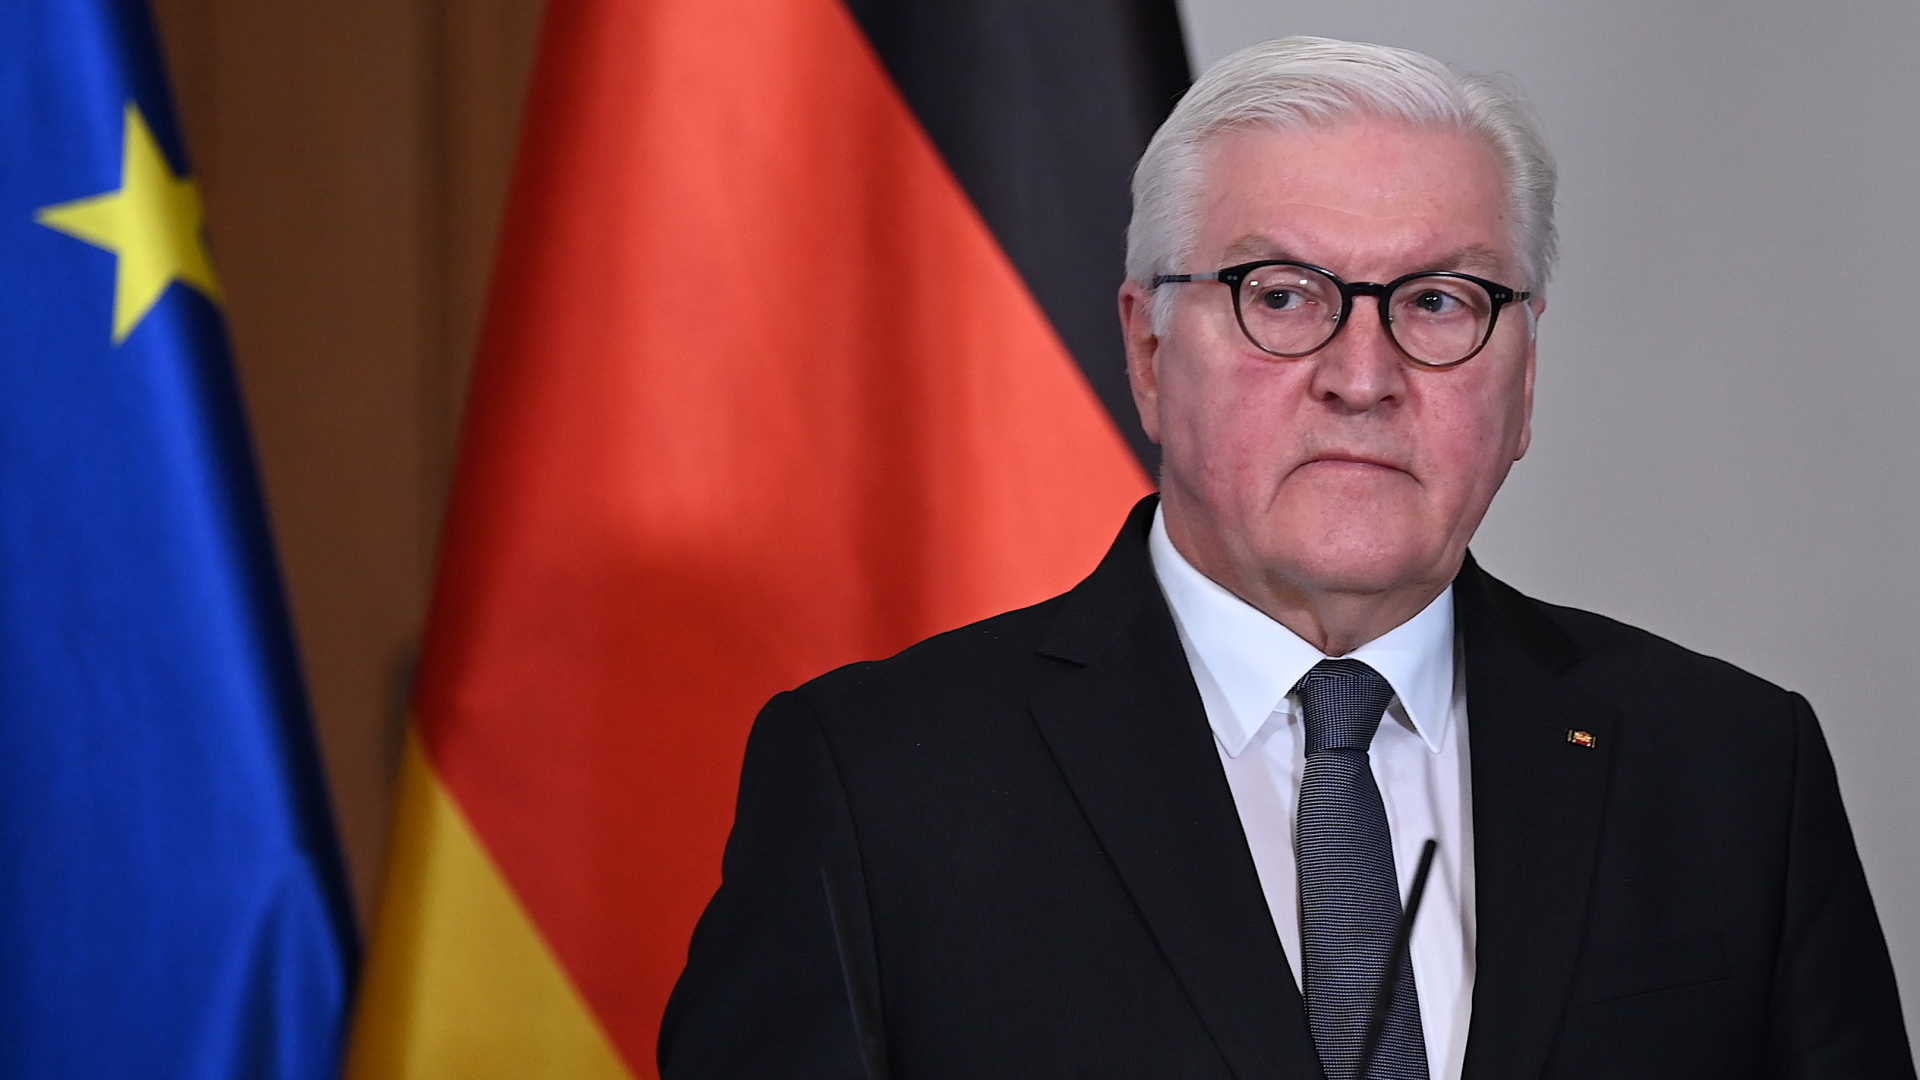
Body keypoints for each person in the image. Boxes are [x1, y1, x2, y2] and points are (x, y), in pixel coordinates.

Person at [657, 37, 1914, 1080]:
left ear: (1523, 379)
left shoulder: (1734, 774)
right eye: (1281, 295)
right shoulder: (881, 789)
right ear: (1149, 353)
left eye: (1439, 301)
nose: (1363, 378)